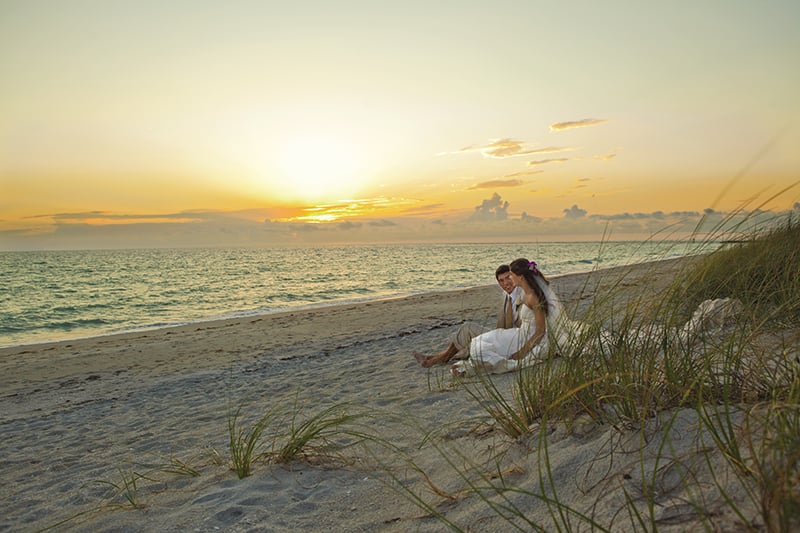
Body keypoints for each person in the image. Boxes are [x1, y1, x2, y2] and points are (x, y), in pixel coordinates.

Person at [452, 257, 563, 376]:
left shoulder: (533, 297)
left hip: (527, 337)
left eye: (511, 275)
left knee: (484, 348)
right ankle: (470, 363)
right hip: (519, 333)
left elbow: (540, 330)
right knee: (482, 343)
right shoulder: (521, 294)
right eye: (502, 280)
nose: (508, 280)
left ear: (520, 277)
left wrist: (521, 352)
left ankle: (471, 367)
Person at [413, 264, 522, 368]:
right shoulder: (505, 296)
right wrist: (492, 337)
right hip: (501, 336)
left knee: (467, 328)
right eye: (501, 281)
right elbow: (501, 325)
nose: (506, 283)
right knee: (470, 343)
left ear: (514, 277)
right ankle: (432, 357)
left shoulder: (523, 295)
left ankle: (437, 360)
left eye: (508, 277)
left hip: (514, 341)